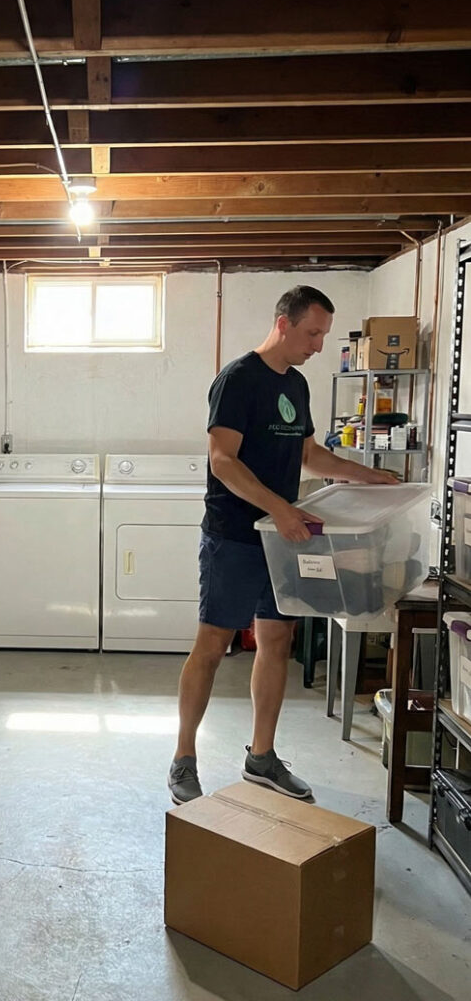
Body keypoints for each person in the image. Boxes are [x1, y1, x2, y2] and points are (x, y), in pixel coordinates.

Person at [168, 285, 398, 806]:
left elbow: (310, 454)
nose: (318, 345)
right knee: (211, 647)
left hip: (281, 539)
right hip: (234, 536)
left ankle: (262, 757)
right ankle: (183, 758)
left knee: (276, 642)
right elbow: (222, 461)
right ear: (283, 323)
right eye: (312, 333)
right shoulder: (238, 379)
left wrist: (370, 476)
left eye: (323, 335)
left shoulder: (296, 384)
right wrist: (280, 508)